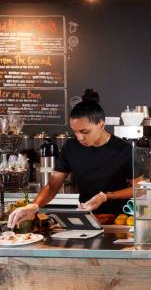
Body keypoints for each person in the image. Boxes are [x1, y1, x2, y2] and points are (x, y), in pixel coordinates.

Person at [8, 89, 142, 228]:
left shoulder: (123, 149)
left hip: (119, 221)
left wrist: (106, 196)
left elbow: (139, 188)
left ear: (101, 124)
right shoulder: (71, 147)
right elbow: (52, 186)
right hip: (86, 219)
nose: (80, 137)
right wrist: (34, 206)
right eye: (75, 132)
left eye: (85, 132)